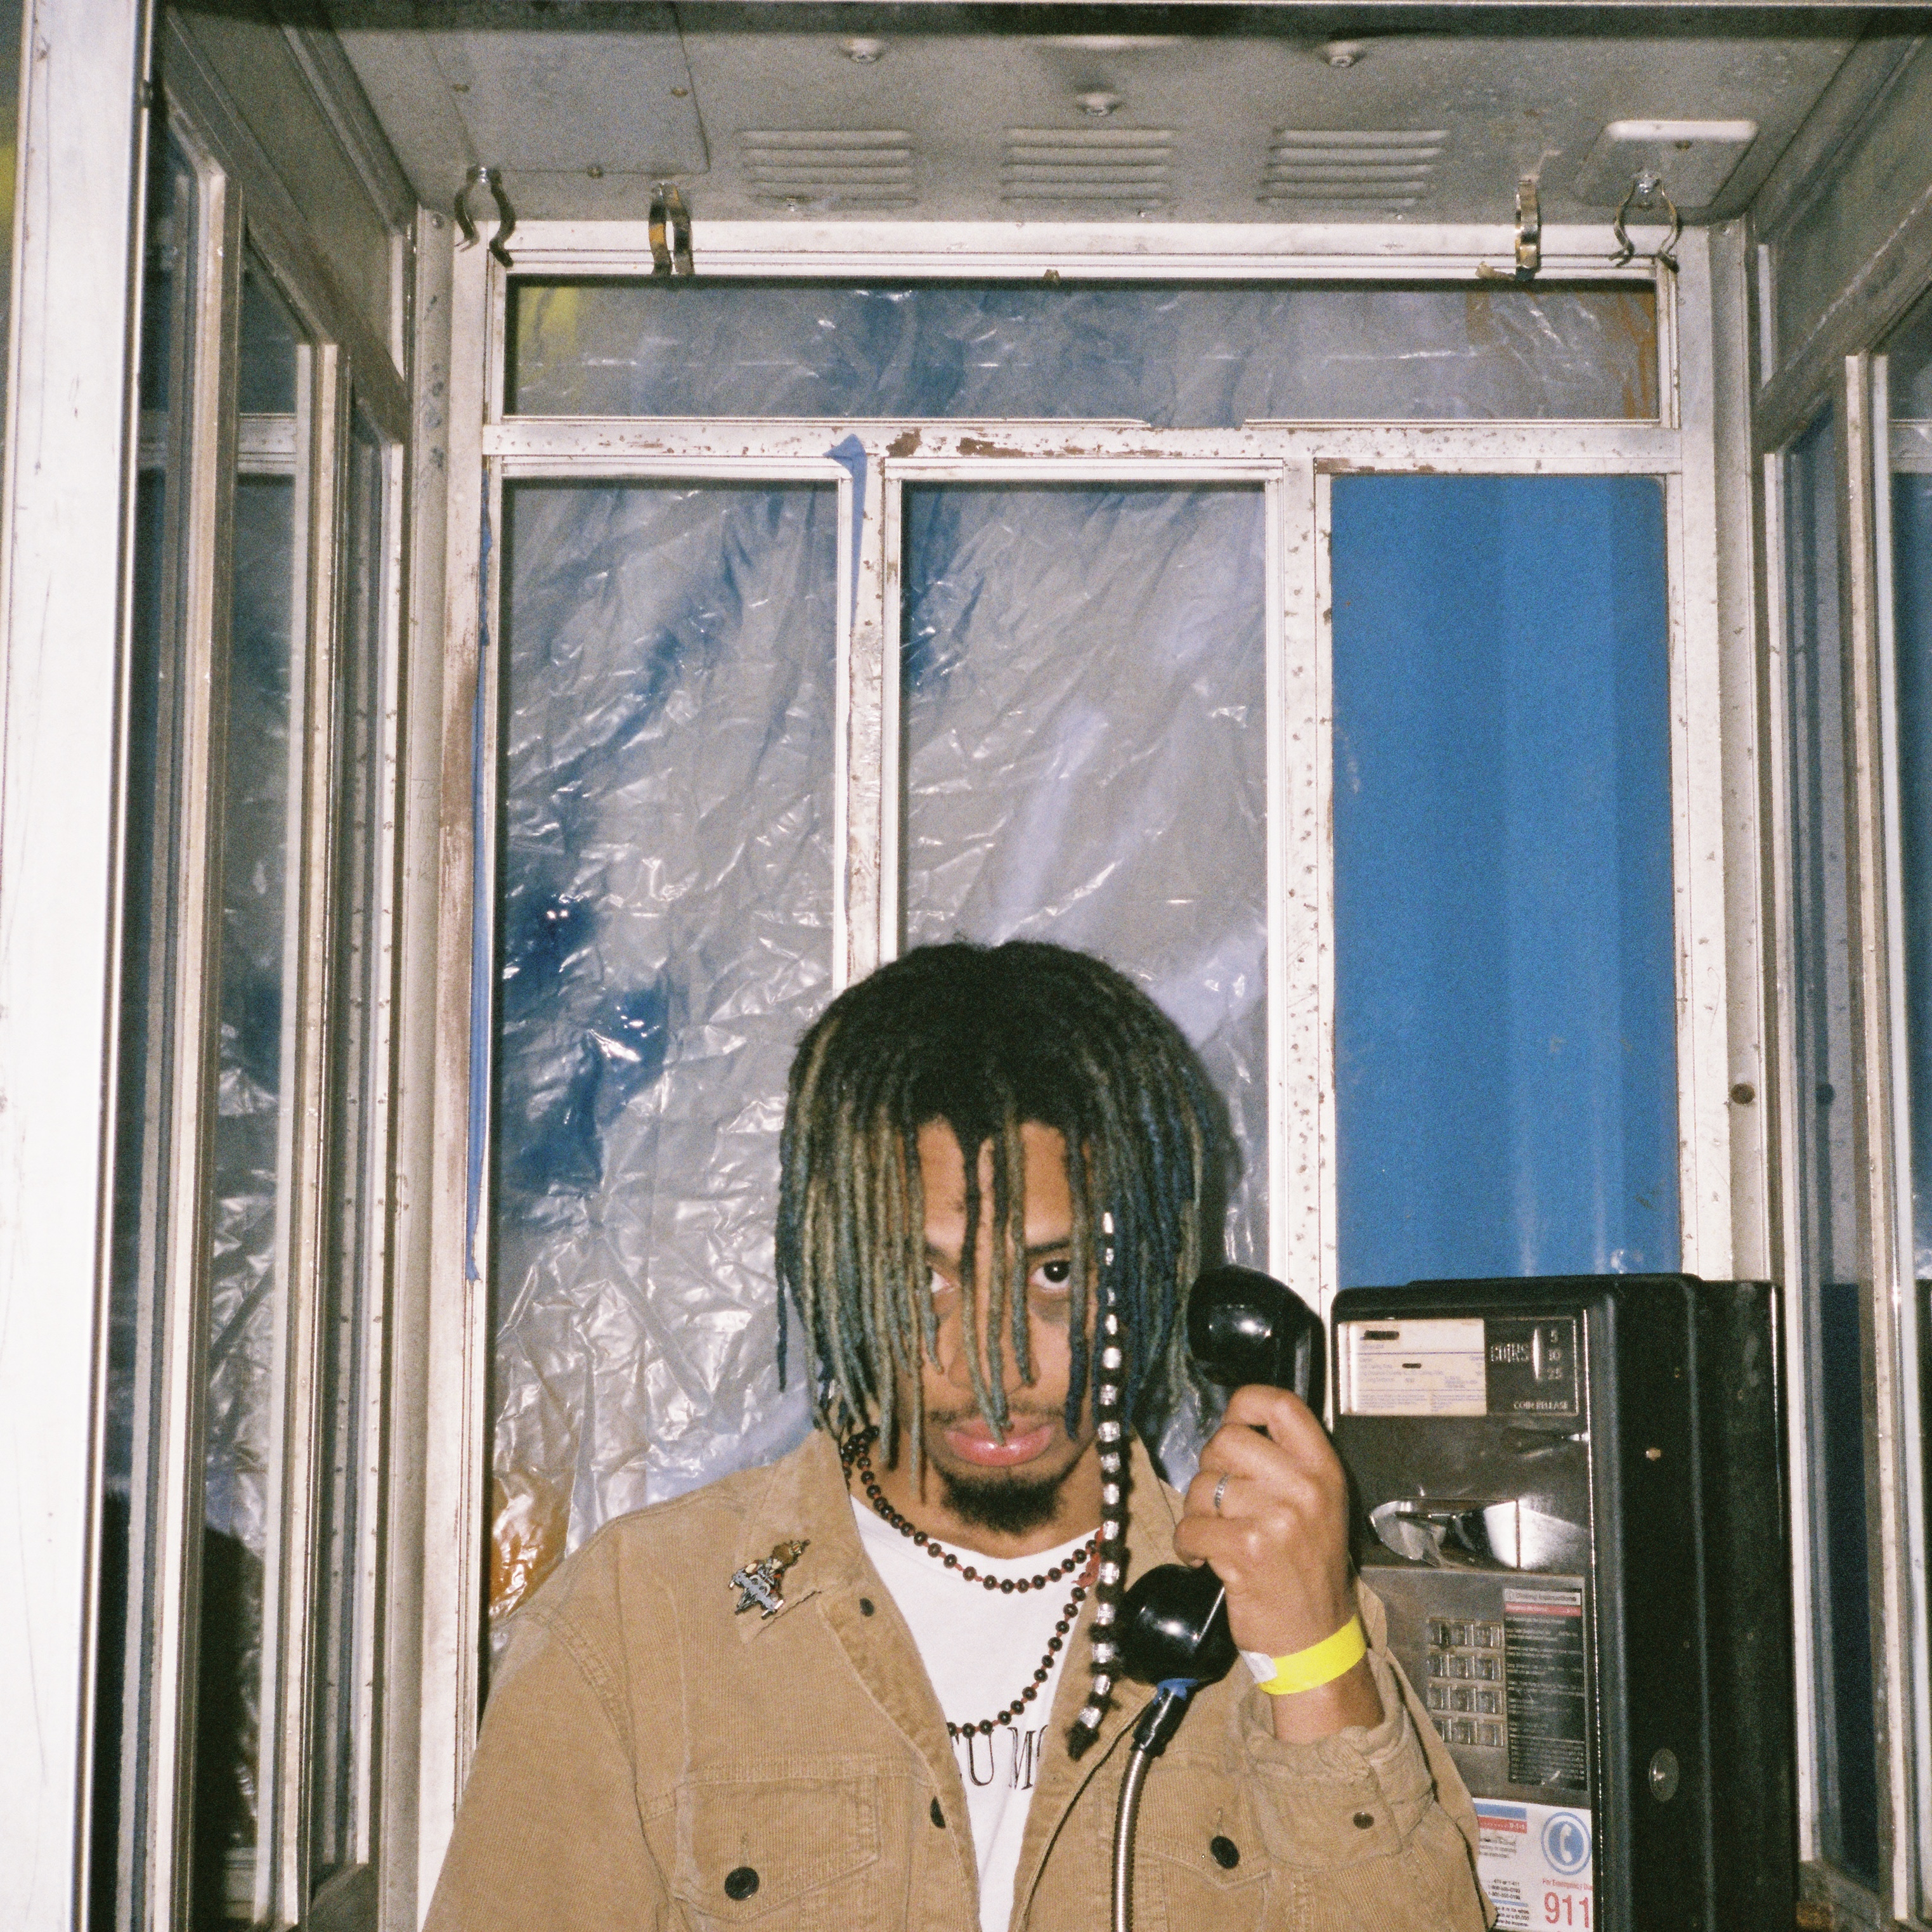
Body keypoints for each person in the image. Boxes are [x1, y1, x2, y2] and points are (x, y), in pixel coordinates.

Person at [427, 940, 1490, 1931]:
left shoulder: (1281, 1613)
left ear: (1153, 1269)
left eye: (1054, 1274)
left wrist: (1312, 1663)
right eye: (922, 1277)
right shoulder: (643, 1620)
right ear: (836, 1264)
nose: (994, 1363)